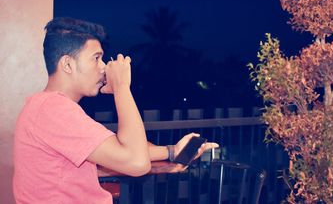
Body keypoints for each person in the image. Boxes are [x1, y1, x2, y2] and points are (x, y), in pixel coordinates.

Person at [13, 17, 218, 204]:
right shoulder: (54, 110)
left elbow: (105, 159)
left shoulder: (47, 108)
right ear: (68, 64)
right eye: (96, 58)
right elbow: (135, 161)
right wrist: (122, 88)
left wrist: (170, 154)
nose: (103, 67)